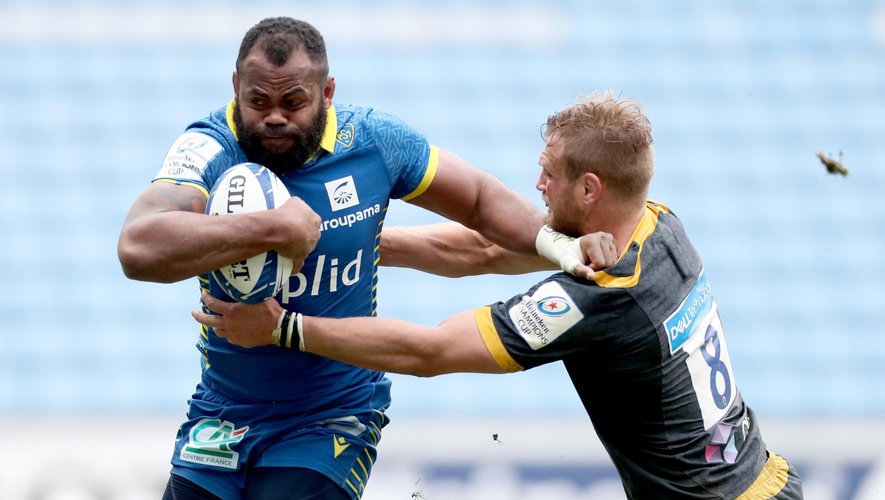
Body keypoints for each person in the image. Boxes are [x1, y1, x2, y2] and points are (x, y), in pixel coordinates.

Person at [196, 92, 805, 499]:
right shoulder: (655, 223)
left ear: (590, 188)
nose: (536, 183)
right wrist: (357, 241)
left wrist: (282, 329)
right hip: (766, 479)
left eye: (550, 171)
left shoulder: (596, 298)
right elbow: (484, 250)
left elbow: (432, 351)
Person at [117, 16, 609, 500]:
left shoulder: (375, 143)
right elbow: (138, 248)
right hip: (220, 413)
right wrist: (273, 227)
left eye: (294, 102)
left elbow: (479, 200)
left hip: (329, 414)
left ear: (327, 93)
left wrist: (563, 246)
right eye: (258, 101)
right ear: (235, 88)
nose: (274, 117)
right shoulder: (207, 146)